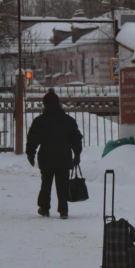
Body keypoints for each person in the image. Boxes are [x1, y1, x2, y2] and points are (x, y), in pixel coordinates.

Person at [26, 89, 83, 219]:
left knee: (46, 182)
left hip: (46, 156)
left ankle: (44, 207)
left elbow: (32, 138)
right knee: (63, 183)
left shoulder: (40, 121)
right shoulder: (68, 120)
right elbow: (76, 138)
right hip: (64, 156)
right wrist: (77, 154)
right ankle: (63, 210)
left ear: (45, 104)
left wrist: (31, 154)